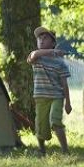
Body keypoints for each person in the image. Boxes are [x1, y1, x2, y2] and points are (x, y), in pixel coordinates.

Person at [27, 26, 72, 155]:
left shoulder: (60, 62)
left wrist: (68, 103)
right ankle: (41, 150)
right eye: (39, 38)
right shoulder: (36, 57)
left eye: (45, 38)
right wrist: (51, 52)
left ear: (53, 43)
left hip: (56, 97)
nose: (41, 40)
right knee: (40, 125)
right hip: (40, 97)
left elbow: (64, 84)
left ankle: (65, 150)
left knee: (55, 120)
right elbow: (33, 55)